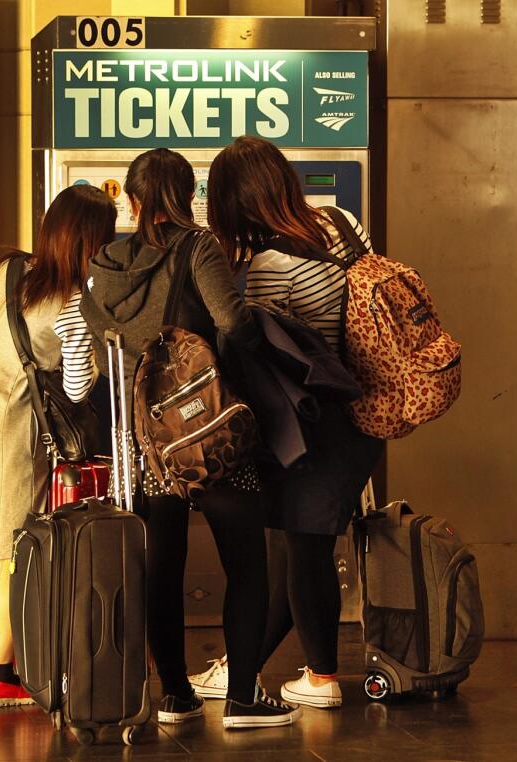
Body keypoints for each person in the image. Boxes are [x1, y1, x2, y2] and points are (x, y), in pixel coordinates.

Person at [79, 147, 301, 729]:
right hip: (207, 431)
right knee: (246, 563)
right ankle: (244, 696)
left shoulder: (102, 263)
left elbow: (104, 350)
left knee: (163, 563)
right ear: (188, 195)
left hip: (146, 442)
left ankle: (175, 693)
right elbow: (232, 321)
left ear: (129, 200)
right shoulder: (198, 246)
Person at [191, 135, 383, 708]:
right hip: (360, 406)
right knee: (295, 546)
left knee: (302, 550)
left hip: (310, 421)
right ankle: (241, 666)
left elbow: (271, 350)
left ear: (234, 203)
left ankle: (322, 678)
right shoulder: (342, 222)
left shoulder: (272, 266)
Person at [0, 185, 114, 707]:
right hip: (5, 433)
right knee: (17, 551)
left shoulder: (7, 272)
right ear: (91, 239)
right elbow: (79, 386)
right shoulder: (72, 302)